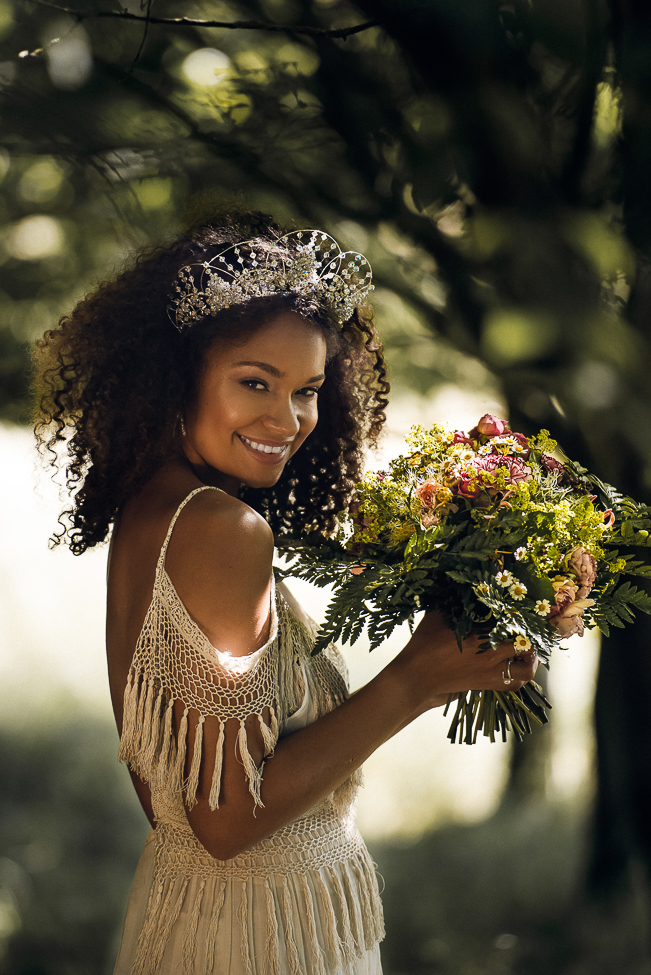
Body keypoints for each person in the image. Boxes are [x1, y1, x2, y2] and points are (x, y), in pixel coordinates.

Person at [33, 210, 537, 975]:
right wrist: (416, 679)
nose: (288, 418)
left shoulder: (158, 506)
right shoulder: (219, 529)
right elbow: (225, 819)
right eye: (254, 382)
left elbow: (184, 800)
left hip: (209, 913)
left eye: (306, 390)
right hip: (260, 935)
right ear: (177, 375)